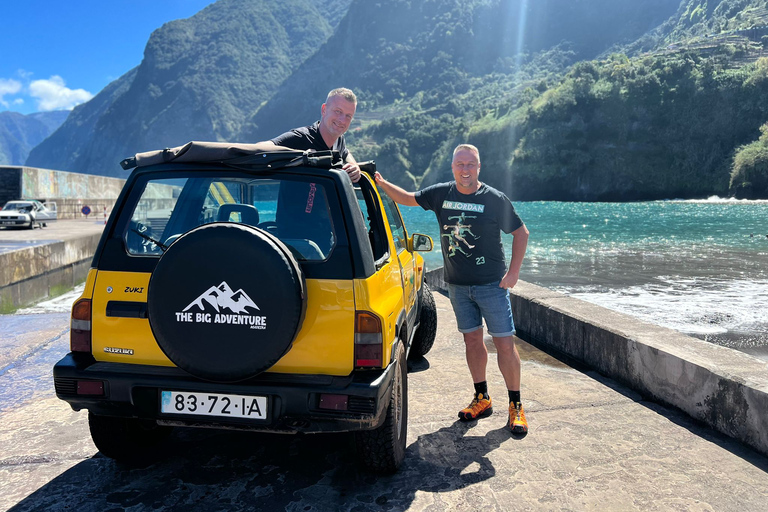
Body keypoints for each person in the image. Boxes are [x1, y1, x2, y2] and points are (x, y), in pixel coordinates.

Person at [374, 144, 530, 435]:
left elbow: (521, 233)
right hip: (458, 286)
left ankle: (516, 406)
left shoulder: (494, 199)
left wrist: (514, 273)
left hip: (491, 285)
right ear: (453, 167)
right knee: (472, 342)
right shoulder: (441, 194)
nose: (465, 170)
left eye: (471, 164)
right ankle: (482, 398)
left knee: (505, 345)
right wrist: (380, 184)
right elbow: (408, 198)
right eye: (460, 164)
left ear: (479, 167)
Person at [261, 87, 362, 183]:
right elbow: (265, 147)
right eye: (338, 111)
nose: (342, 120)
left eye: (348, 116)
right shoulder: (301, 138)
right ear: (324, 110)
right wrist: (245, 150)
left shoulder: (339, 141)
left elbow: (346, 152)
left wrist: (354, 165)